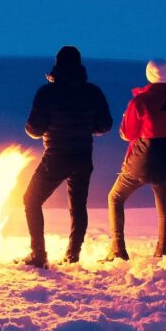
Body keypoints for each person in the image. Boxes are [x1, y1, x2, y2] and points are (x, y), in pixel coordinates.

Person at [21, 46, 112, 268]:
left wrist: (40, 128)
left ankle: (38, 255)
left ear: (57, 64)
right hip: (83, 157)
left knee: (31, 200)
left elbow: (34, 129)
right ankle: (72, 255)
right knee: (78, 206)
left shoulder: (46, 93)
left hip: (56, 157)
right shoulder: (93, 92)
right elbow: (105, 125)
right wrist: (87, 127)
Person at [106, 59, 166, 261]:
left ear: (149, 74)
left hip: (140, 164)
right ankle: (161, 253)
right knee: (164, 211)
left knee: (115, 198)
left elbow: (126, 134)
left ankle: (118, 249)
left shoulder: (140, 102)